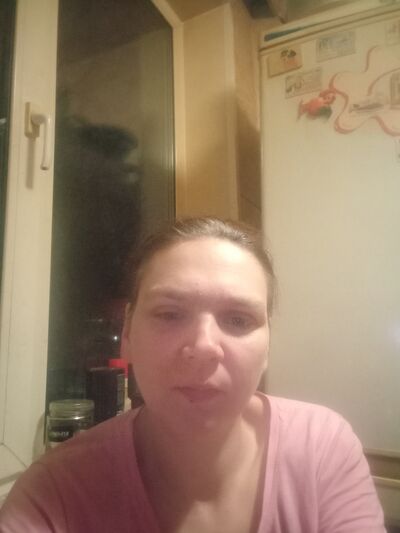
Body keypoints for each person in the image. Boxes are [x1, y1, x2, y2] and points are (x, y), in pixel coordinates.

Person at [0, 217, 386, 532]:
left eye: (239, 319)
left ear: (268, 346)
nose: (203, 346)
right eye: (169, 314)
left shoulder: (322, 448)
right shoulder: (53, 493)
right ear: (128, 335)